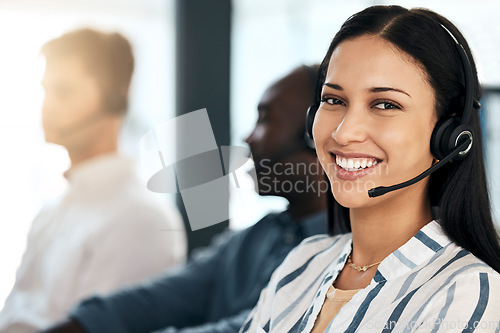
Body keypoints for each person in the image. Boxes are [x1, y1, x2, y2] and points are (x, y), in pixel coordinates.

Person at [241, 6, 500, 333]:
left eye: (385, 104)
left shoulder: (463, 293)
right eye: (334, 100)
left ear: (447, 138)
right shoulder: (300, 265)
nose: (344, 133)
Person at [40, 65, 339, 333]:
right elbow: (161, 297)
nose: (248, 138)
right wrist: (79, 325)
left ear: (314, 132)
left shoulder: (347, 250)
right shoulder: (254, 238)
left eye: (265, 119)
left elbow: (256, 326)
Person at [0, 29, 186, 332]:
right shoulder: (53, 209)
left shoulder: (139, 218)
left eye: (63, 91)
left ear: (116, 97)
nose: (47, 106)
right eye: (46, 90)